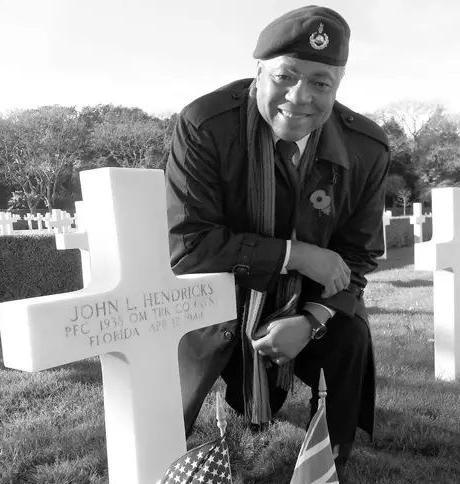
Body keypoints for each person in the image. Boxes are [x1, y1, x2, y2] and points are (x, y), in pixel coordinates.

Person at [165, 5, 389, 467]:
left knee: (347, 336)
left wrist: (311, 320)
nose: (300, 96)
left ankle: (329, 462)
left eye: (321, 82)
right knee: (175, 398)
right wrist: (295, 254)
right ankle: (163, 447)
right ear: (259, 71)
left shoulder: (366, 147)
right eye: (285, 76)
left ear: (339, 84)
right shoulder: (206, 126)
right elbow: (190, 246)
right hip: (220, 292)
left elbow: (358, 254)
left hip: (307, 298)